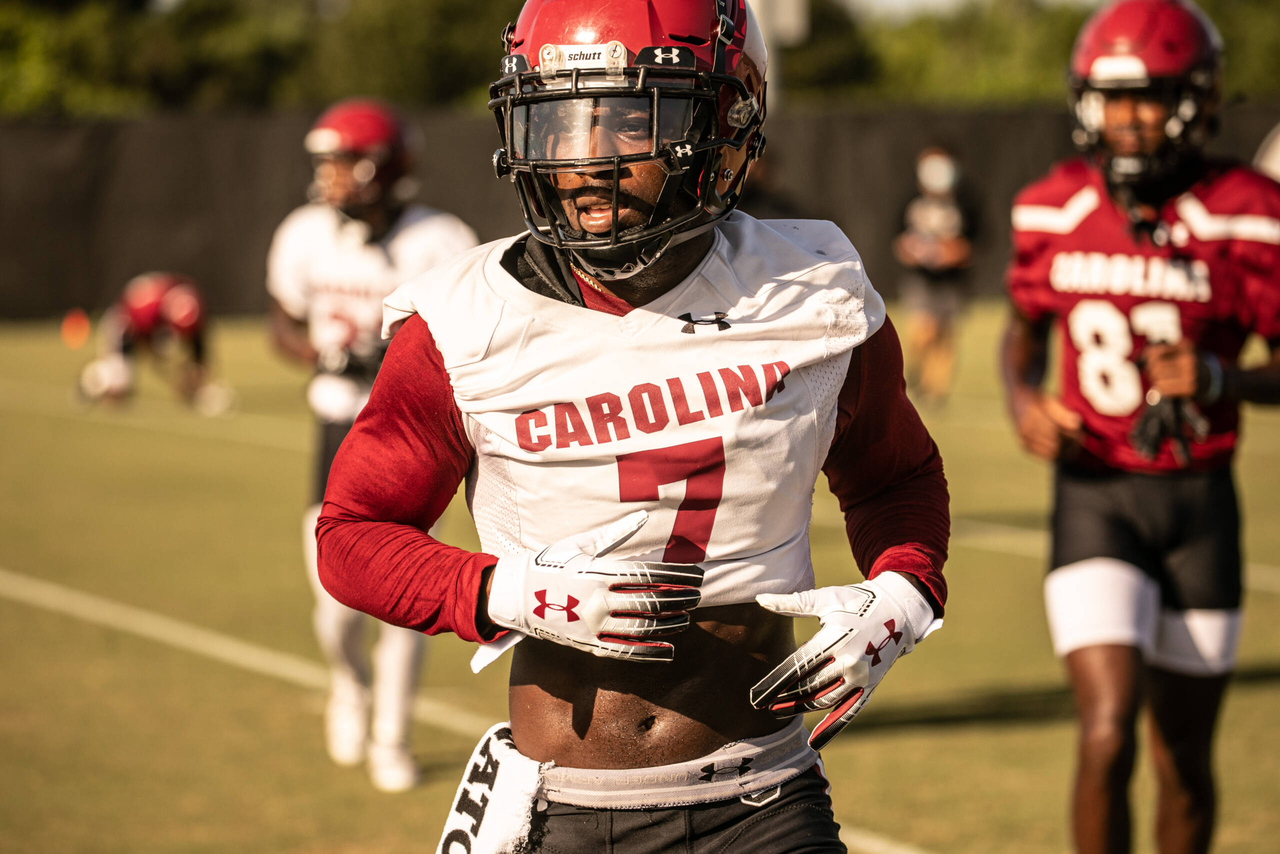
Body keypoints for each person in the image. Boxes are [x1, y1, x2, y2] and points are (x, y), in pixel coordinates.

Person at [318, 1, 949, 850]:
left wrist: (904, 592)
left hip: (763, 796)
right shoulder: (463, 318)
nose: (582, 160)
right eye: (557, 120)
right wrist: (504, 592)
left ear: (723, 123)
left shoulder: (811, 289)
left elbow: (893, 476)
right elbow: (352, 534)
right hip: (566, 805)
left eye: (625, 119)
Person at [1000, 2, 1280, 852]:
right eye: (1111, 99)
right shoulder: (1051, 206)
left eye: (1148, 99)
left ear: (1195, 101)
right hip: (1097, 496)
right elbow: (1023, 333)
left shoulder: (1248, 210)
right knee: (1108, 728)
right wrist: (1022, 400)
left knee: (1184, 758)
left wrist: (1224, 376)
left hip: (1200, 504)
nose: (1126, 120)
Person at [265, 97, 479, 793]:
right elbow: (283, 324)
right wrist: (321, 357)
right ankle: (348, 684)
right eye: (326, 164)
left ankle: (393, 736)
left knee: (407, 601)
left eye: (345, 162)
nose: (332, 177)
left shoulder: (440, 241)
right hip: (335, 431)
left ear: (389, 169)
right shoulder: (305, 233)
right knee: (335, 606)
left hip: (414, 432)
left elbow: (470, 339)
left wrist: (390, 363)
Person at [77, 271, 233, 416]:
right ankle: (89, 384)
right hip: (122, 327)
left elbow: (199, 349)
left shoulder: (194, 309)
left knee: (189, 368)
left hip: (149, 327)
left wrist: (195, 377)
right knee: (119, 387)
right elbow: (132, 339)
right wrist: (164, 366)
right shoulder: (146, 311)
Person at [893, 146, 978, 406]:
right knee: (924, 330)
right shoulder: (910, 201)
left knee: (945, 334)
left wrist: (951, 252)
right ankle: (913, 372)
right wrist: (916, 252)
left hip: (952, 280)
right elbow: (899, 241)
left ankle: (935, 391)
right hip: (921, 278)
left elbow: (973, 242)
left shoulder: (966, 203)